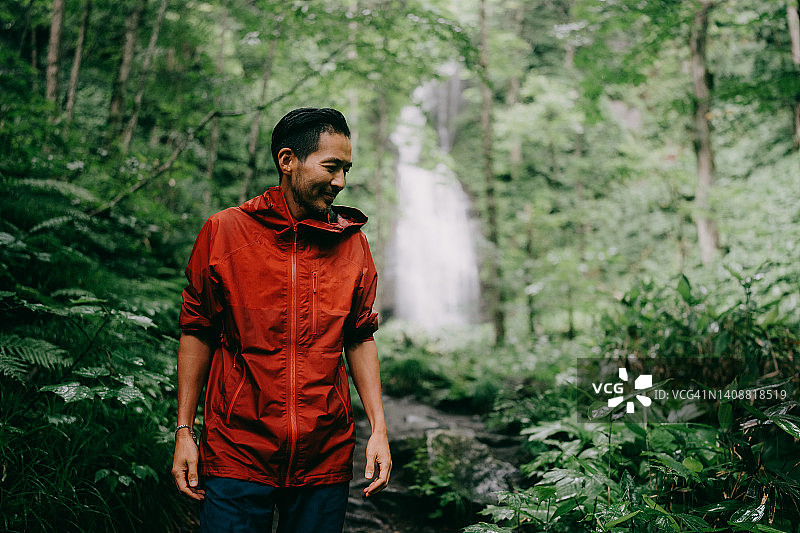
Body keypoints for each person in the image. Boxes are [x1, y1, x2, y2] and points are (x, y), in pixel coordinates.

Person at [170, 107, 391, 533]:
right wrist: (185, 431)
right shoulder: (224, 232)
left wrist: (379, 430)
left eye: (346, 169)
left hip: (324, 455)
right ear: (287, 161)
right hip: (237, 449)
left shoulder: (354, 245)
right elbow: (197, 330)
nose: (341, 182)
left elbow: (360, 338)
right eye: (331, 167)